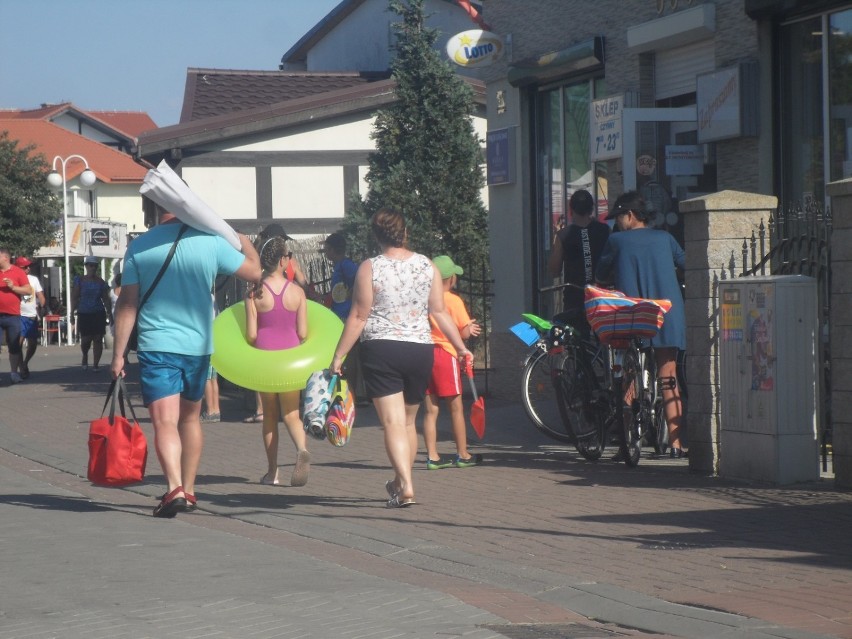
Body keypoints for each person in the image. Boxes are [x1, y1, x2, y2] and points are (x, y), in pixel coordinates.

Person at [111, 195, 261, 518]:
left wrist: (118, 355)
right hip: (199, 347)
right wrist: (242, 240)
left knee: (165, 421)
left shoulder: (140, 247)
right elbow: (254, 271)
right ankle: (189, 490)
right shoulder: (211, 243)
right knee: (190, 419)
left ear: (153, 209)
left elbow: (127, 305)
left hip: (158, 345)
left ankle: (174, 487)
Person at [330, 208, 472, 508]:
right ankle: (399, 482)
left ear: (377, 235)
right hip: (420, 350)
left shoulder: (370, 268)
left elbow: (358, 315)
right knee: (408, 423)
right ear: (405, 233)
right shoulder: (427, 266)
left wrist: (339, 355)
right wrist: (460, 347)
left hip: (382, 349)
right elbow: (439, 311)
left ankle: (405, 484)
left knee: (393, 423)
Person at [595, 191, 687, 458]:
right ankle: (677, 444)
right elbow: (687, 263)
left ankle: (627, 442)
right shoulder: (665, 238)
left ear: (630, 216)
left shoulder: (617, 241)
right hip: (665, 314)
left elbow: (600, 275)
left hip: (632, 316)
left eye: (619, 218)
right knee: (669, 378)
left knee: (627, 377)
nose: (618, 223)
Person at [245, 235, 311, 487]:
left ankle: (272, 473)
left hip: (265, 360)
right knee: (292, 414)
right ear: (284, 260)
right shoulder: (297, 292)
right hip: (290, 359)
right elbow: (303, 333)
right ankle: (301, 449)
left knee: (270, 416)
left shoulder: (254, 292)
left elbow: (251, 334)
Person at [242, 222, 310, 424]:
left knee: (262, 372)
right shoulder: (291, 262)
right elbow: (303, 282)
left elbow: (252, 331)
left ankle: (261, 410)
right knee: (290, 403)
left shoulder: (259, 268)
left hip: (266, 322)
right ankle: (291, 415)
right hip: (290, 315)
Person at [421, 255, 482, 470]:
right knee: (456, 408)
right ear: (451, 278)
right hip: (446, 354)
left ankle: (432, 456)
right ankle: (463, 454)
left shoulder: (424, 299)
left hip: (426, 353)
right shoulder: (454, 301)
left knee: (430, 410)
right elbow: (463, 333)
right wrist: (469, 329)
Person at [547, 189, 610, 334]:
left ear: (571, 210)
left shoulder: (563, 235)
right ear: (592, 209)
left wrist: (556, 240)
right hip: (601, 297)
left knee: (576, 345)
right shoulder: (605, 231)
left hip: (574, 298)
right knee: (601, 345)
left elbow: (554, 271)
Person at [323, 232, 365, 401]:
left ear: (334, 250)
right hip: (339, 314)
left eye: (327, 249)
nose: (325, 253)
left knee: (351, 355)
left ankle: (354, 393)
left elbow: (359, 280)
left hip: (347, 315)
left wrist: (352, 294)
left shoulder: (346, 265)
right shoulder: (339, 266)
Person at [71, 256, 112, 372]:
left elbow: (106, 299)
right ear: (86, 266)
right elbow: (74, 297)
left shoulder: (101, 282)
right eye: (90, 265)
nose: (92, 268)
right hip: (84, 312)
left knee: (98, 338)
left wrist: (110, 313)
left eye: (94, 266)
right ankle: (85, 355)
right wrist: (71, 314)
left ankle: (95, 364)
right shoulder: (79, 280)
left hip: (98, 312)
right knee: (85, 339)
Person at [0, 247, 33, 384]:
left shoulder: (18, 272)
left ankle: (14, 373)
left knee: (14, 345)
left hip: (13, 315)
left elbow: (28, 290)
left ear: (5, 257)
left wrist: (13, 287)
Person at [15, 257, 45, 379]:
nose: (28, 268)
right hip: (19, 314)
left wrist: (42, 306)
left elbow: (41, 296)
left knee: (33, 344)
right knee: (18, 343)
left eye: (29, 266)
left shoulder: (33, 279)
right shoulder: (15, 280)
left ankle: (26, 362)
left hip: (32, 315)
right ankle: (21, 367)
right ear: (18, 267)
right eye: (25, 267)